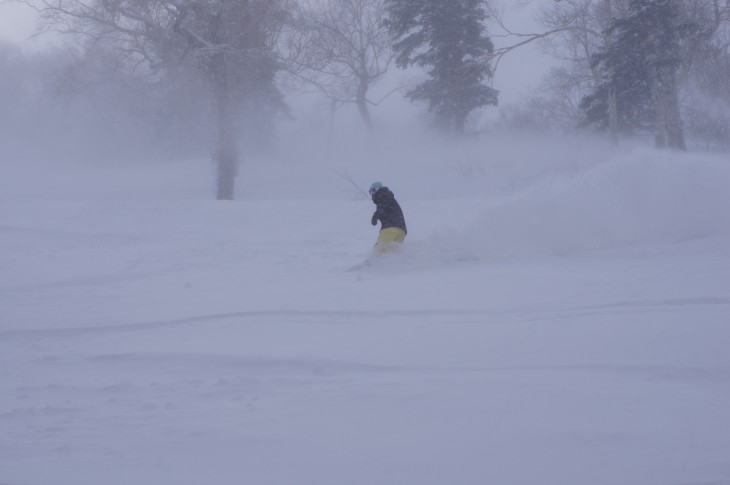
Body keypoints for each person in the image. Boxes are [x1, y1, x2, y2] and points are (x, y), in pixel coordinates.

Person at [369, 182, 407, 253]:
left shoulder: (382, 194)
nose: (372, 194)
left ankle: (373, 263)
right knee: (392, 254)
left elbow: (382, 208)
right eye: (370, 192)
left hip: (390, 228)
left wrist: (375, 216)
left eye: (373, 191)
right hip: (401, 231)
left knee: (379, 251)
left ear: (378, 189)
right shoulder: (388, 196)